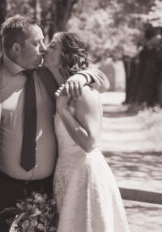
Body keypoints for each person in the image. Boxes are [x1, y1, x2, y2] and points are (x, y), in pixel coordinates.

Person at [0, 15, 108, 232]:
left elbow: (100, 77)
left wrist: (82, 77)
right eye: (37, 43)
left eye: (45, 42)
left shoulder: (50, 74)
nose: (44, 48)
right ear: (17, 48)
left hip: (46, 188)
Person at [44, 32, 129, 232]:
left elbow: (90, 143)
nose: (46, 48)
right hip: (65, 173)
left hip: (84, 174)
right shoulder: (61, 86)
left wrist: (63, 110)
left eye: (53, 46)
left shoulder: (82, 91)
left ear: (66, 55)